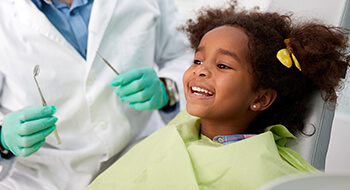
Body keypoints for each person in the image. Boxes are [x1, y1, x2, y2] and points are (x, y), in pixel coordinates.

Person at [86, 2, 350, 190]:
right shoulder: (180, 128)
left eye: (222, 65)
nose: (201, 71)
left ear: (261, 98)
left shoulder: (262, 168)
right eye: (197, 60)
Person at [0, 0, 191, 189]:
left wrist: (168, 89)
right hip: (43, 179)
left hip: (139, 154)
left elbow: (185, 55)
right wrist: (3, 140)